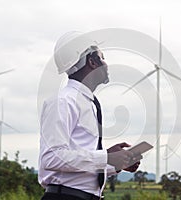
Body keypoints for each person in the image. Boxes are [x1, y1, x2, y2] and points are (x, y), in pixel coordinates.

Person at [38, 33, 142, 200]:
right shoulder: (63, 101)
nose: (106, 64)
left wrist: (115, 163)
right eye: (102, 58)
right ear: (92, 62)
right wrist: (106, 156)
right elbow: (51, 158)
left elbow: (81, 166)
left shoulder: (89, 104)